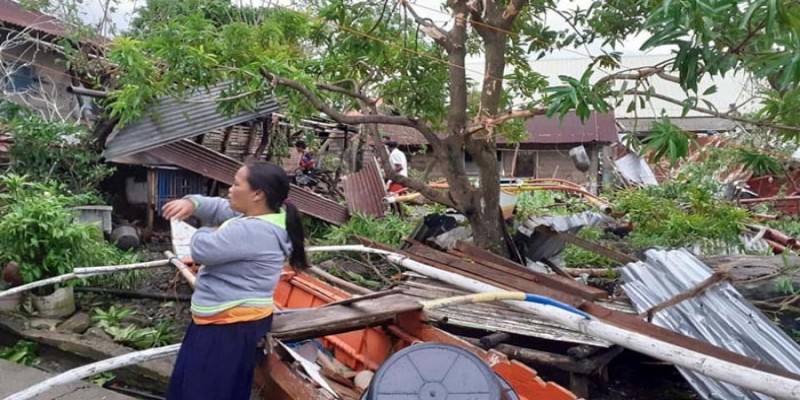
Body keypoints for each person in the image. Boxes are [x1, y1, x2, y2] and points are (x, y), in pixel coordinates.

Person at [162, 161, 308, 400]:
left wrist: (207, 229)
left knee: (204, 390)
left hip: (228, 323)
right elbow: (222, 207)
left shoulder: (253, 231)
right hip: (238, 318)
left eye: (236, 184)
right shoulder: (271, 213)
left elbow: (201, 249)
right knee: (224, 386)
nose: (230, 189)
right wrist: (193, 202)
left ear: (258, 194)